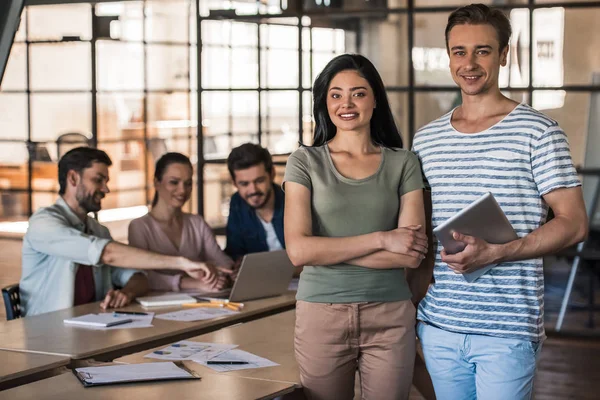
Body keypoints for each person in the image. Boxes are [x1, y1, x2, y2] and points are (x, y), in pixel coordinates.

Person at [412, 4, 588, 400]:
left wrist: (498, 252)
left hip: (507, 330)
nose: (469, 63)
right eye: (459, 51)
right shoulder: (425, 140)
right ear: (449, 56)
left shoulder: (539, 132)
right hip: (440, 325)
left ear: (505, 55)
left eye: (483, 50)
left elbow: (574, 223)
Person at [284, 54, 428, 400]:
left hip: (390, 314)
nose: (346, 104)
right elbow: (299, 251)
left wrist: (327, 251)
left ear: (375, 98)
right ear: (324, 101)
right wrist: (383, 239)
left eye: (358, 93)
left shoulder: (403, 162)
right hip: (322, 315)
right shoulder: (304, 161)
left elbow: (410, 255)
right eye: (335, 94)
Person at [20, 147, 221, 317]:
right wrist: (180, 262)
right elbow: (107, 253)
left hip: (92, 326)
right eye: (98, 180)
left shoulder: (98, 230)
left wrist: (126, 292)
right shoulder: (43, 224)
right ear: (73, 178)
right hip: (46, 332)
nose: (106, 189)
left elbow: (138, 277)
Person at [128, 152, 233, 292]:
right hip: (157, 305)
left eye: (188, 183)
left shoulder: (197, 223)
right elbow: (142, 276)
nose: (182, 190)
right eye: (174, 182)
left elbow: (221, 261)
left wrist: (222, 274)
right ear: (156, 183)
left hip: (203, 302)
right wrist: (193, 283)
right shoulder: (140, 227)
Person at [225, 143, 285, 259]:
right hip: (257, 277)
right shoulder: (237, 203)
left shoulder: (292, 199)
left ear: (272, 174)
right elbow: (234, 252)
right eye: (244, 184)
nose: (253, 190)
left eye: (259, 181)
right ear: (234, 183)